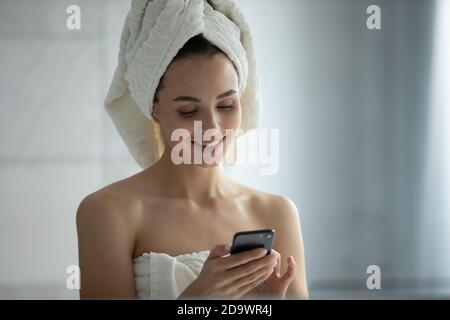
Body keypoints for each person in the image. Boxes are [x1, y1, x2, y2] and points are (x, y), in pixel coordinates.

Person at [76, 0, 308, 300]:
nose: (211, 128)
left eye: (226, 105)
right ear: (154, 108)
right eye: (188, 111)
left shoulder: (276, 212)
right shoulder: (109, 212)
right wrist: (197, 299)